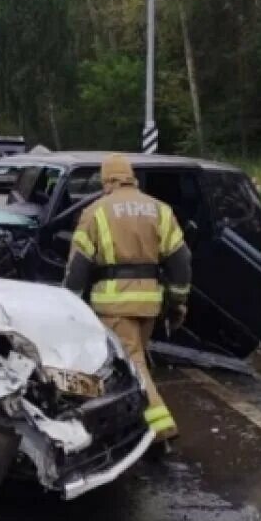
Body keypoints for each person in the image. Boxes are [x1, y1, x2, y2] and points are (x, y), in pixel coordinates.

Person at [63, 153, 191, 449]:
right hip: (150, 301)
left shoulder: (95, 211)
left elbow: (78, 267)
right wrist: (178, 300)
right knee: (137, 360)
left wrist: (68, 305)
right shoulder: (159, 209)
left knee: (134, 366)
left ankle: (161, 430)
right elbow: (181, 259)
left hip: (114, 303)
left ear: (106, 179)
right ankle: (134, 425)